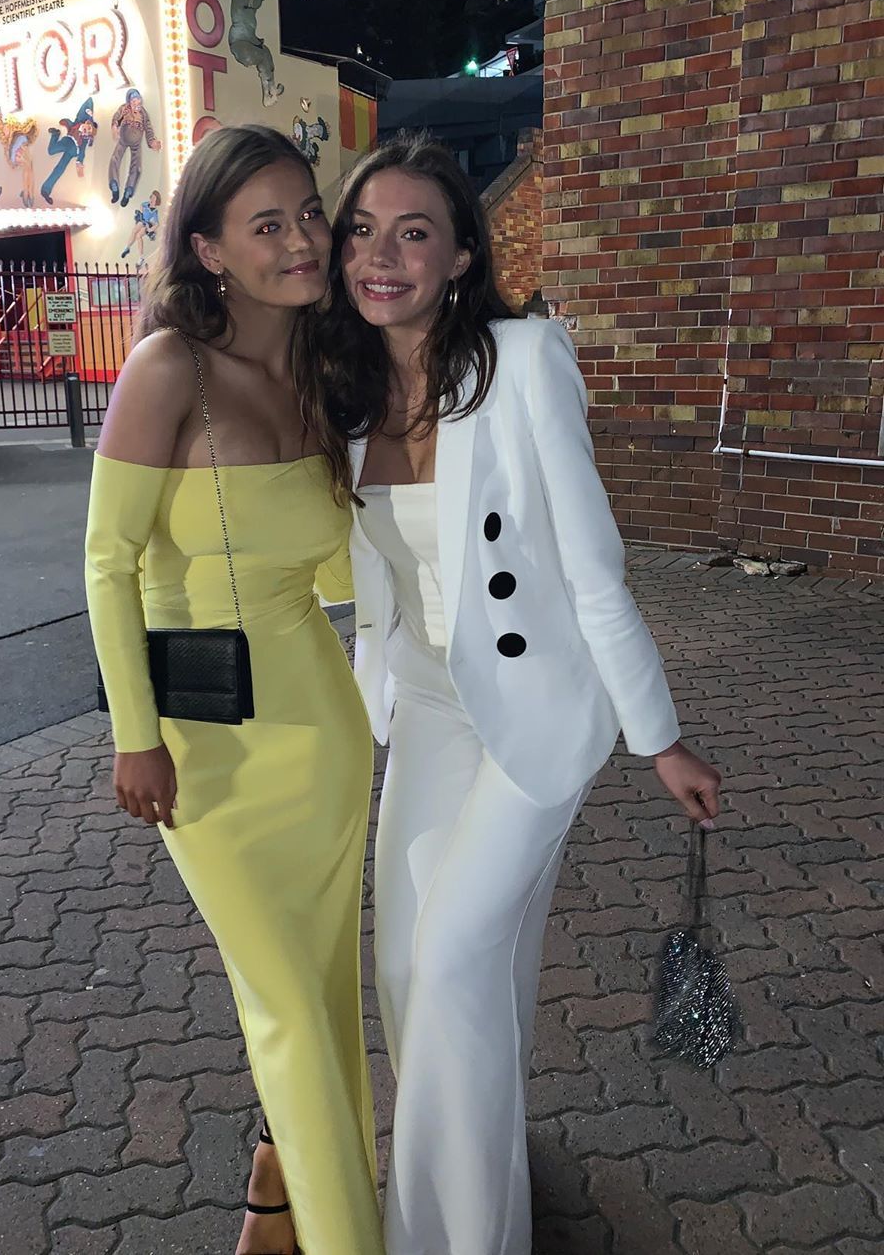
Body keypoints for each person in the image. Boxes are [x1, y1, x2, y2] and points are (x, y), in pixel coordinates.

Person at [300, 132, 724, 1255]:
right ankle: (484, 1179)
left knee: (451, 961)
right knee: (413, 968)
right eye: (362, 232)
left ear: (459, 257)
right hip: (428, 709)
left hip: (538, 717)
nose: (381, 256)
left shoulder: (524, 359)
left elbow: (592, 570)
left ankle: (448, 1238)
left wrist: (660, 738)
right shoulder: (343, 387)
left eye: (414, 233)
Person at [84, 125, 384, 1255]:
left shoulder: (320, 372)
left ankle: (282, 1181)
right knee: (287, 1004)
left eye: (309, 213)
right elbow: (106, 564)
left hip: (321, 727)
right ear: (210, 250)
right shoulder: (170, 369)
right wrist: (134, 735)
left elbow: (341, 575)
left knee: (322, 988)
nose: (303, 239)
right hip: (205, 746)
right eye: (268, 224)